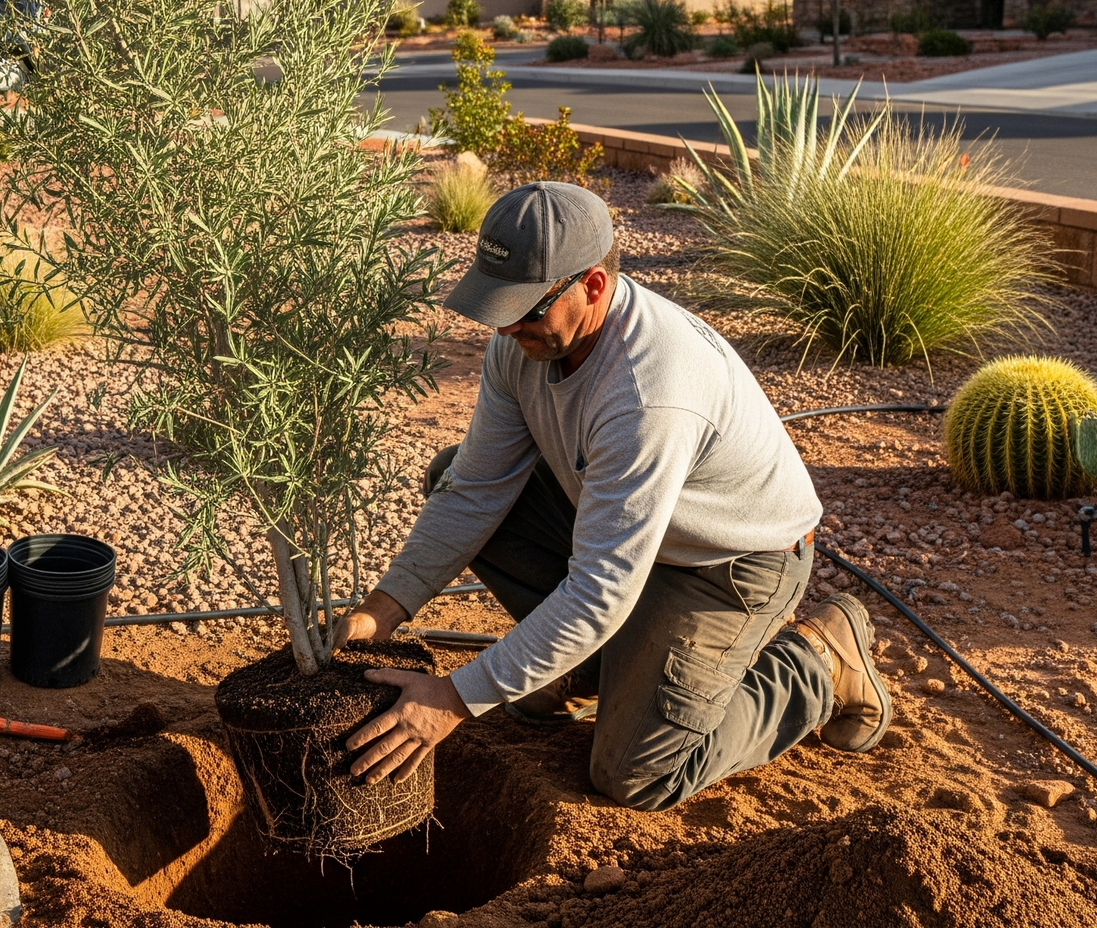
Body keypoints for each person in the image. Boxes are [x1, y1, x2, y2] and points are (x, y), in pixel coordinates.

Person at [335, 179, 889, 809]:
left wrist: (456, 701)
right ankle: (597, 666)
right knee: (450, 472)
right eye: (498, 305)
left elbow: (601, 589)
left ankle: (819, 660)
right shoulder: (523, 343)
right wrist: (383, 608)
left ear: (592, 286)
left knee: (636, 774)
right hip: (629, 535)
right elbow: (475, 489)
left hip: (726, 567)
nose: (508, 327)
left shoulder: (647, 395)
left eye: (526, 308)